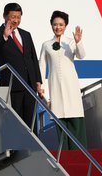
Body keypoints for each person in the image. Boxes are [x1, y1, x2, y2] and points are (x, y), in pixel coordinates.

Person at [0, 3, 42, 133]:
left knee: (31, 123)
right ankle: (18, 152)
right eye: (12, 17)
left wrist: (38, 81)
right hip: (12, 85)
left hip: (30, 85)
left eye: (18, 17)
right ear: (5, 16)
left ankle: (33, 151)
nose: (16, 20)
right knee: (16, 123)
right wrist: (4, 36)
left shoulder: (26, 34)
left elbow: (33, 58)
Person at [38, 10, 87, 150]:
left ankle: (80, 154)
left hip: (70, 85)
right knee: (59, 119)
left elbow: (81, 55)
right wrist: (41, 87)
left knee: (75, 118)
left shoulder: (71, 43)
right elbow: (42, 66)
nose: (58, 27)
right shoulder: (46, 44)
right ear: (51, 26)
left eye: (61, 24)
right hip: (55, 86)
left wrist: (78, 42)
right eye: (55, 24)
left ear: (65, 26)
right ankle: (64, 155)